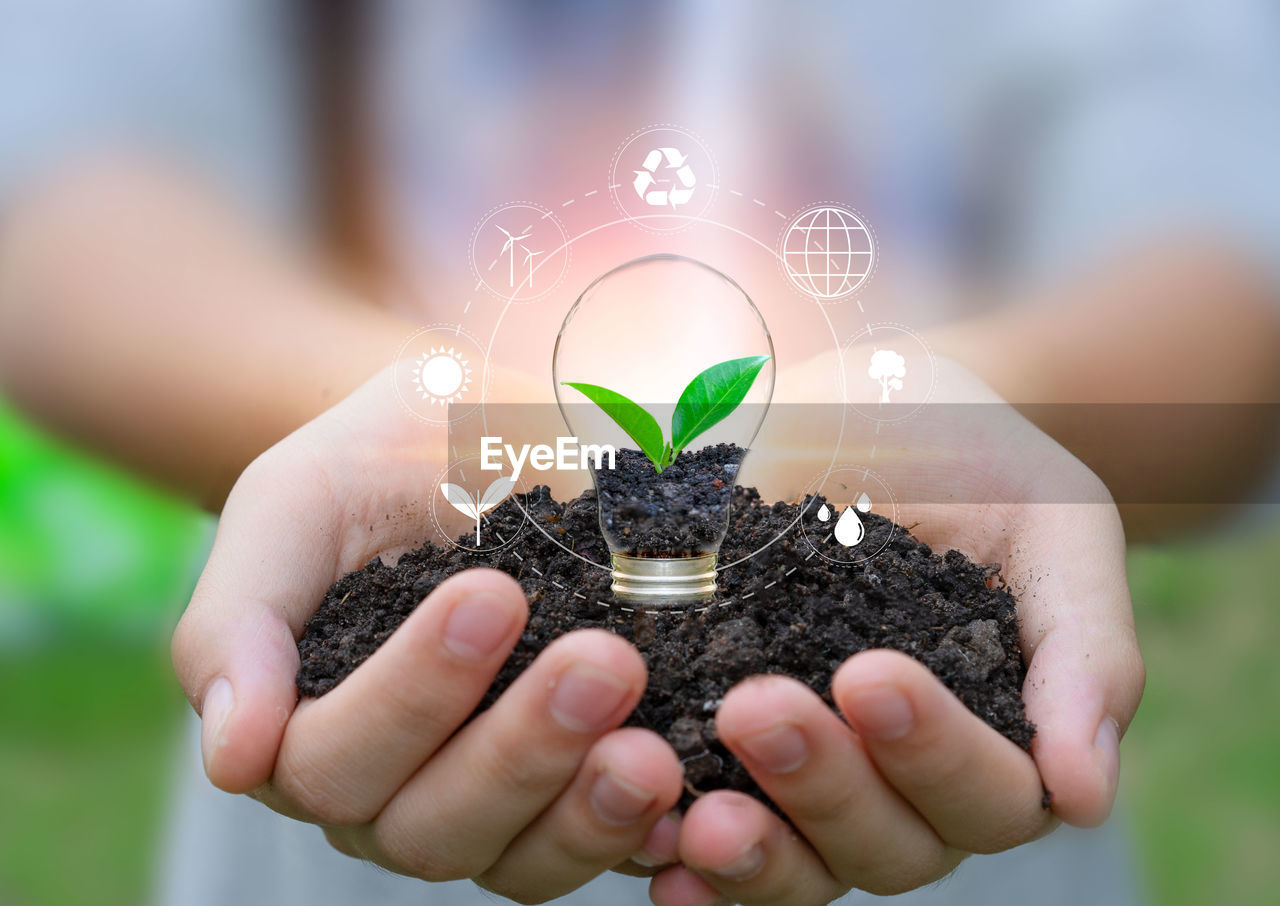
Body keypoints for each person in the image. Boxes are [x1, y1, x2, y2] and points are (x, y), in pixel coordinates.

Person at [1, 2, 1277, 905]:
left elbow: (1218, 260)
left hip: (957, 829)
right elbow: (68, 204)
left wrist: (983, 409)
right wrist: (433, 427)